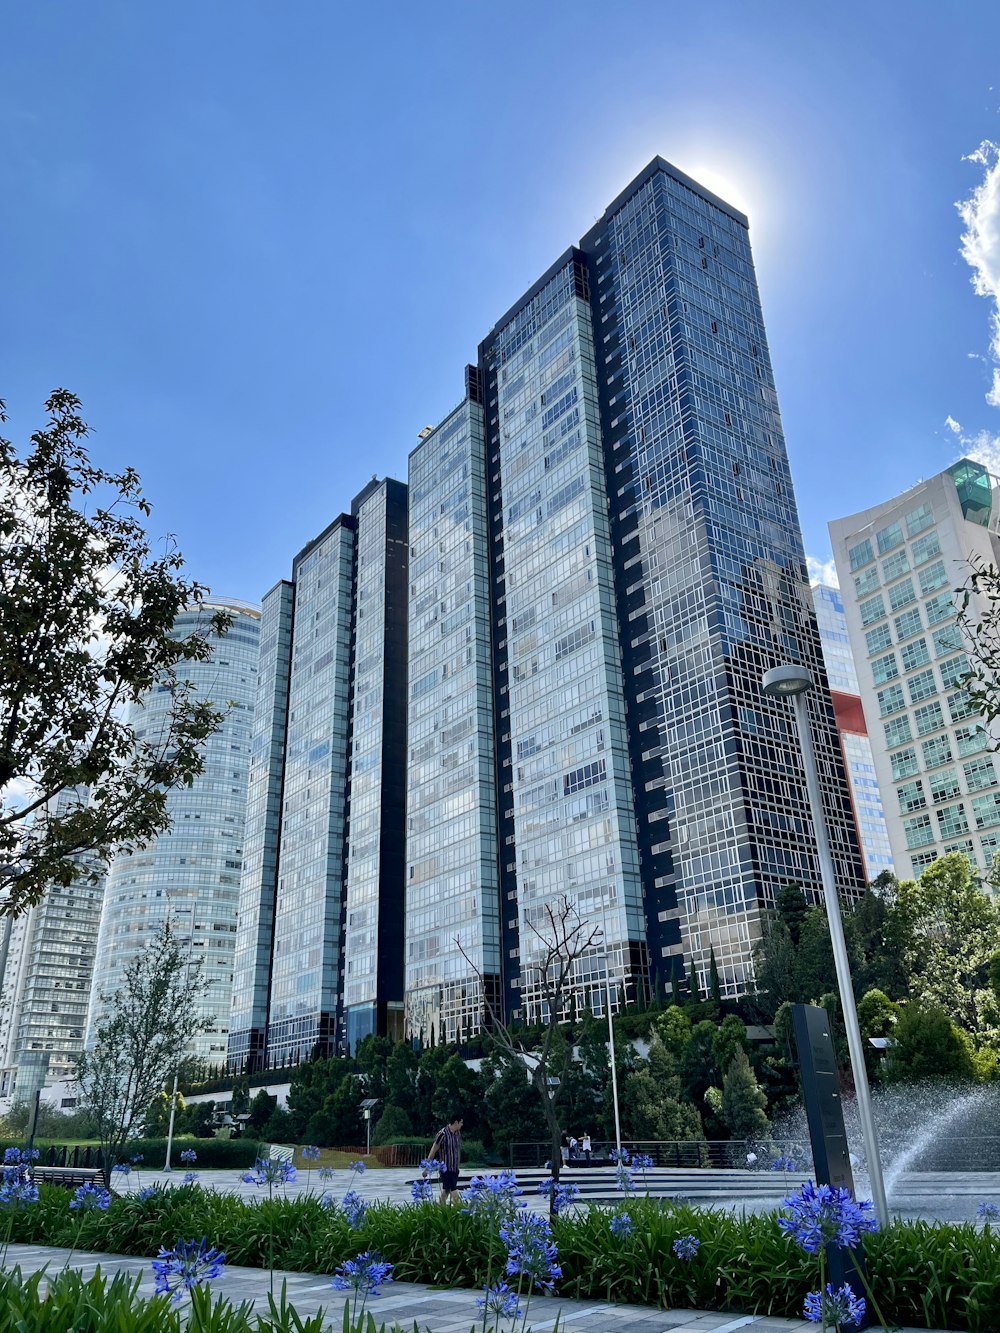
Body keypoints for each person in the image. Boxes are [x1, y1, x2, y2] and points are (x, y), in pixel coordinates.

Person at [423, 1113, 464, 1204]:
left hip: (454, 1168)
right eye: (461, 1122)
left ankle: (439, 1209)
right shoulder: (442, 1134)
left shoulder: (457, 1134)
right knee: (454, 1190)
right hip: (445, 1169)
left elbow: (458, 1149)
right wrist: (426, 1168)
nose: (462, 1125)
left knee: (447, 1191)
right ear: (456, 1122)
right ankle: (460, 1209)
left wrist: (458, 1165)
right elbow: (433, 1150)